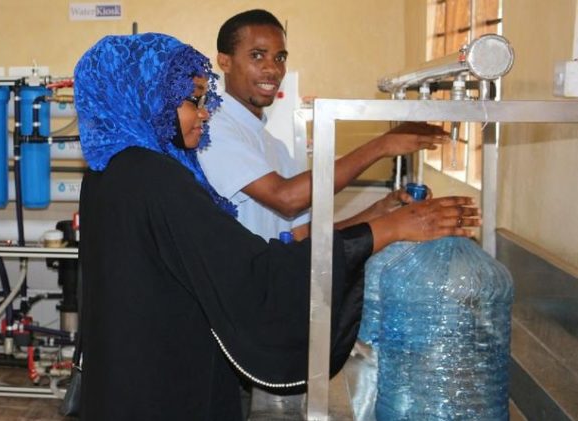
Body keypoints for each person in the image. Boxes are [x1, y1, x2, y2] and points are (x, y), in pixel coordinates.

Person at [73, 32, 478, 420]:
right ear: (148, 98)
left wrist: (380, 220)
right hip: (165, 388)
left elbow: (262, 246)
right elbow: (254, 274)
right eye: (192, 100)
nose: (204, 113)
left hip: (125, 380)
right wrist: (385, 231)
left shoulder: (108, 173)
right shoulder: (156, 178)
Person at [198, 9, 448, 242]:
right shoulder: (212, 128)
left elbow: (304, 237)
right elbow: (286, 199)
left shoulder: (275, 148)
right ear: (225, 62)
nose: (272, 69)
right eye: (257, 55)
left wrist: (381, 212)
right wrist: (381, 146)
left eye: (280, 57)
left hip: (274, 272)